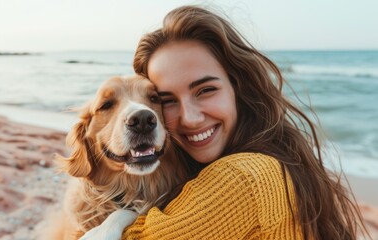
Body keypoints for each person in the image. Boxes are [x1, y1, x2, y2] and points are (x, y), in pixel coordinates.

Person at [84, 5, 369, 240]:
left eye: (206, 90)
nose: (190, 118)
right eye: (166, 99)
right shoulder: (276, 156)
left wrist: (117, 219)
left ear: (238, 87)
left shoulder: (239, 179)